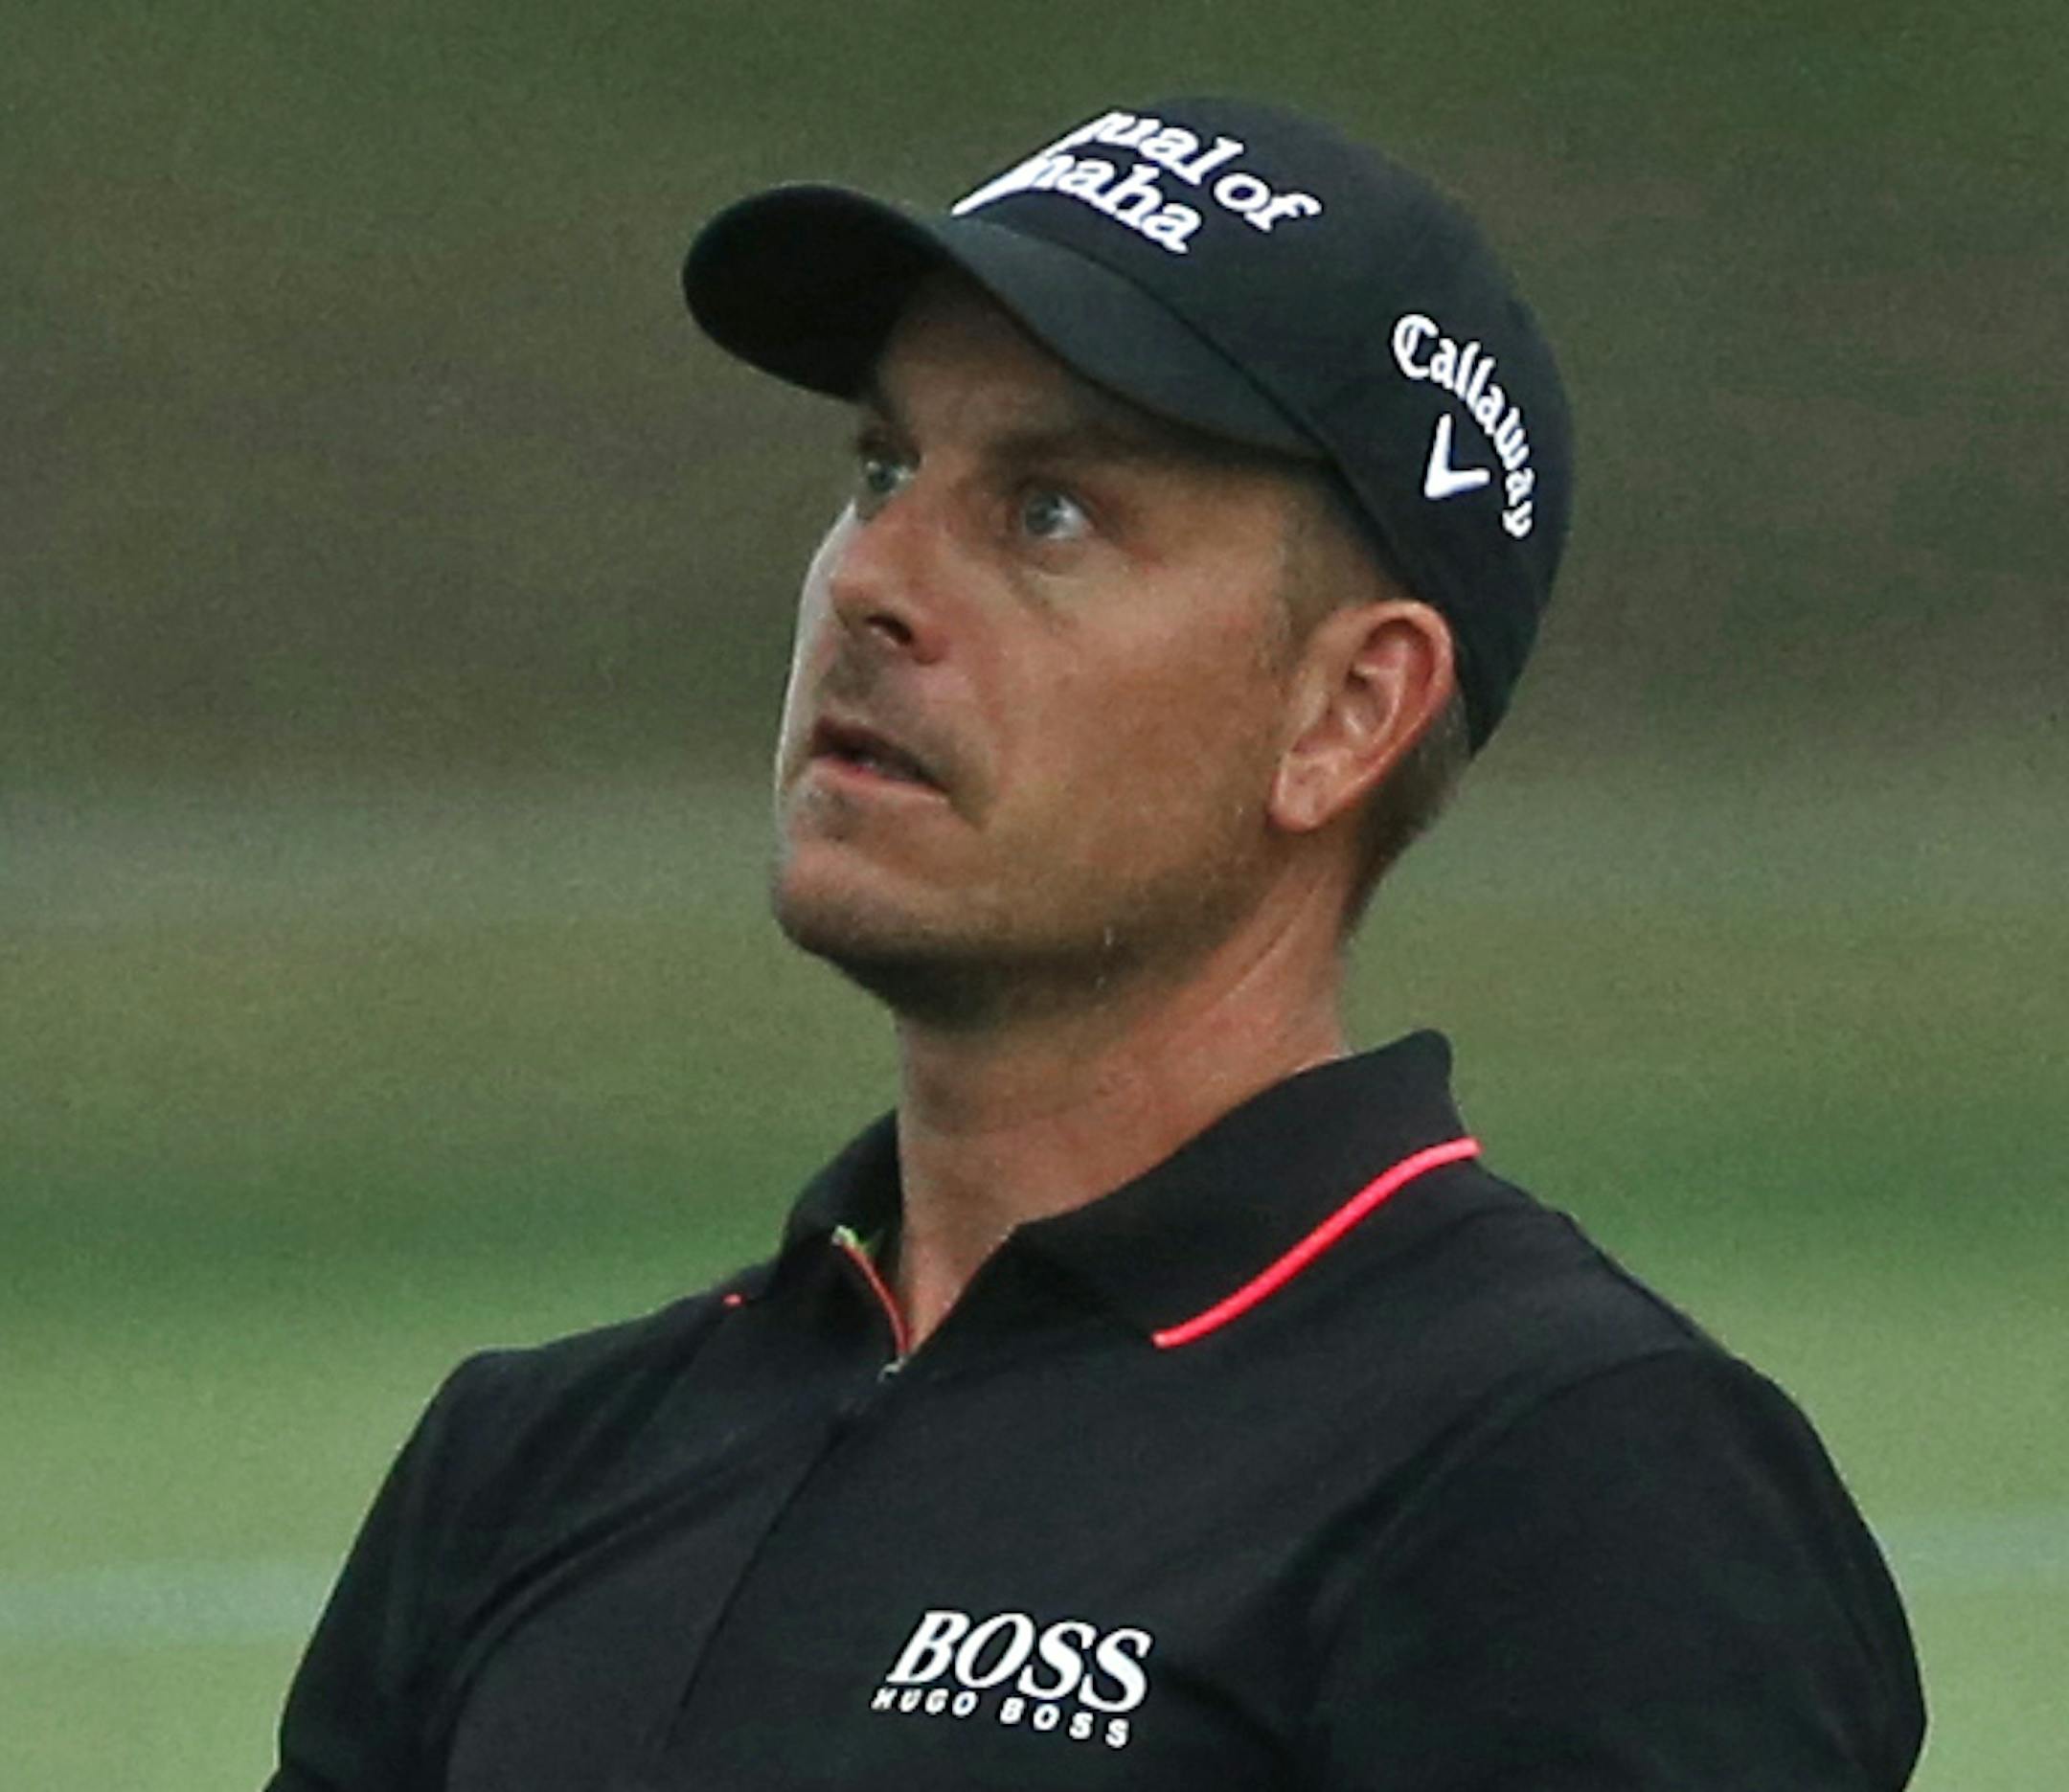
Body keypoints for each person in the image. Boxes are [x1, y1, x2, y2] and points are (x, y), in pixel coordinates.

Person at [266, 97, 1925, 1790]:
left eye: (1049, 512)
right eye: (884, 468)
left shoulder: (1572, 1477)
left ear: (1344, 715)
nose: (871, 579)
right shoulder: (533, 1464)